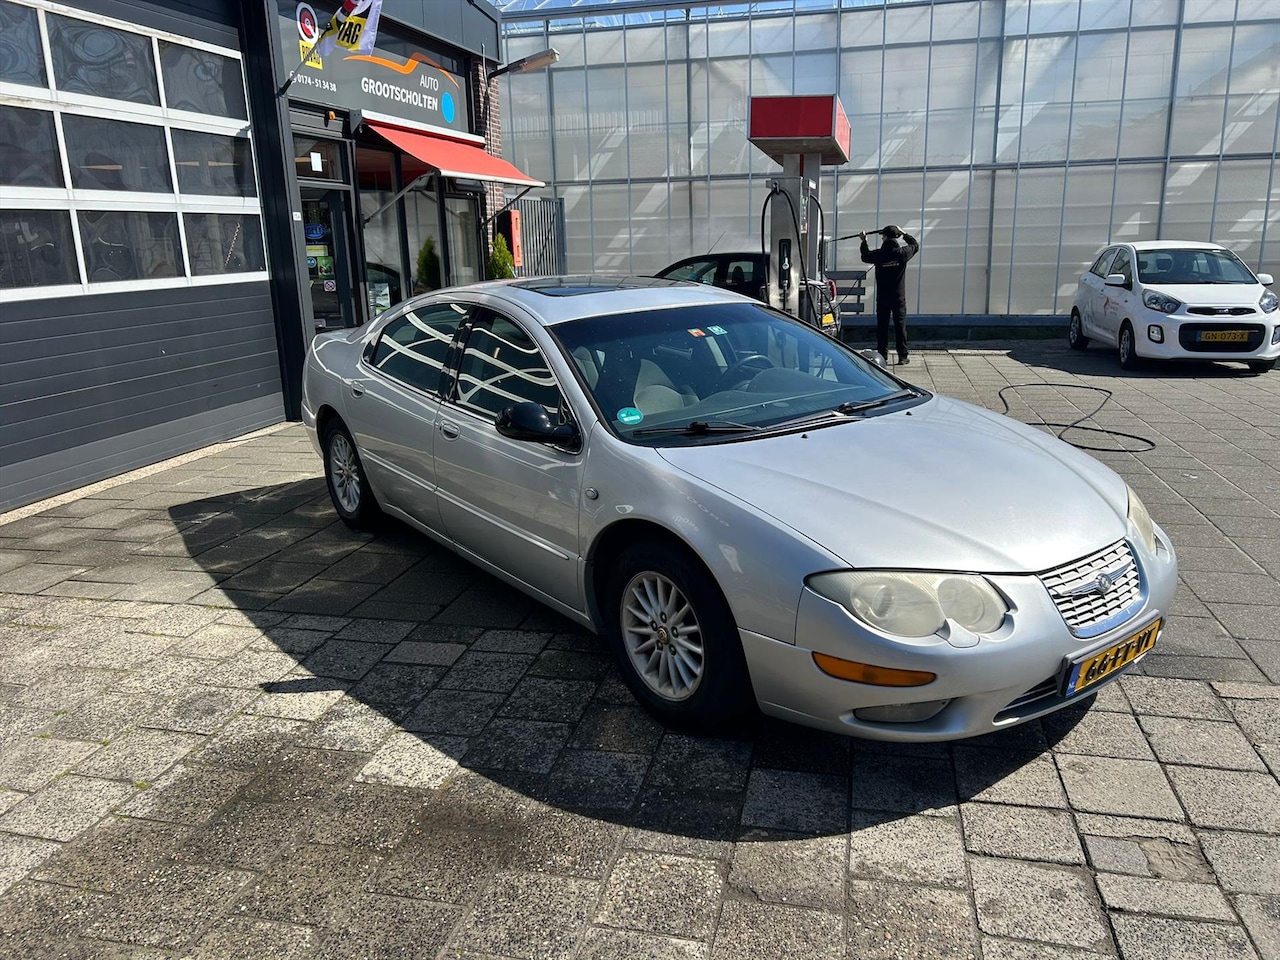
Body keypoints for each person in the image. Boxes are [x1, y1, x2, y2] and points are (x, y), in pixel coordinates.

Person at [860, 224, 920, 365]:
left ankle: (882, 355)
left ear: (885, 237)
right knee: (900, 327)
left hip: (883, 298)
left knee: (882, 327)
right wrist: (904, 233)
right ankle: (903, 356)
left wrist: (864, 241)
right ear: (896, 237)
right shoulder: (902, 253)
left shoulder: (879, 255)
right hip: (899, 298)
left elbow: (865, 256)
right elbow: (915, 245)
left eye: (883, 236)